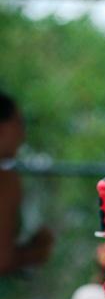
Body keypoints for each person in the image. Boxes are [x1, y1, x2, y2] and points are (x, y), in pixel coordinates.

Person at [0, 91, 53, 275]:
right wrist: (36, 252)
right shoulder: (5, 180)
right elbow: (2, 259)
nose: (23, 135)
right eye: (19, 124)